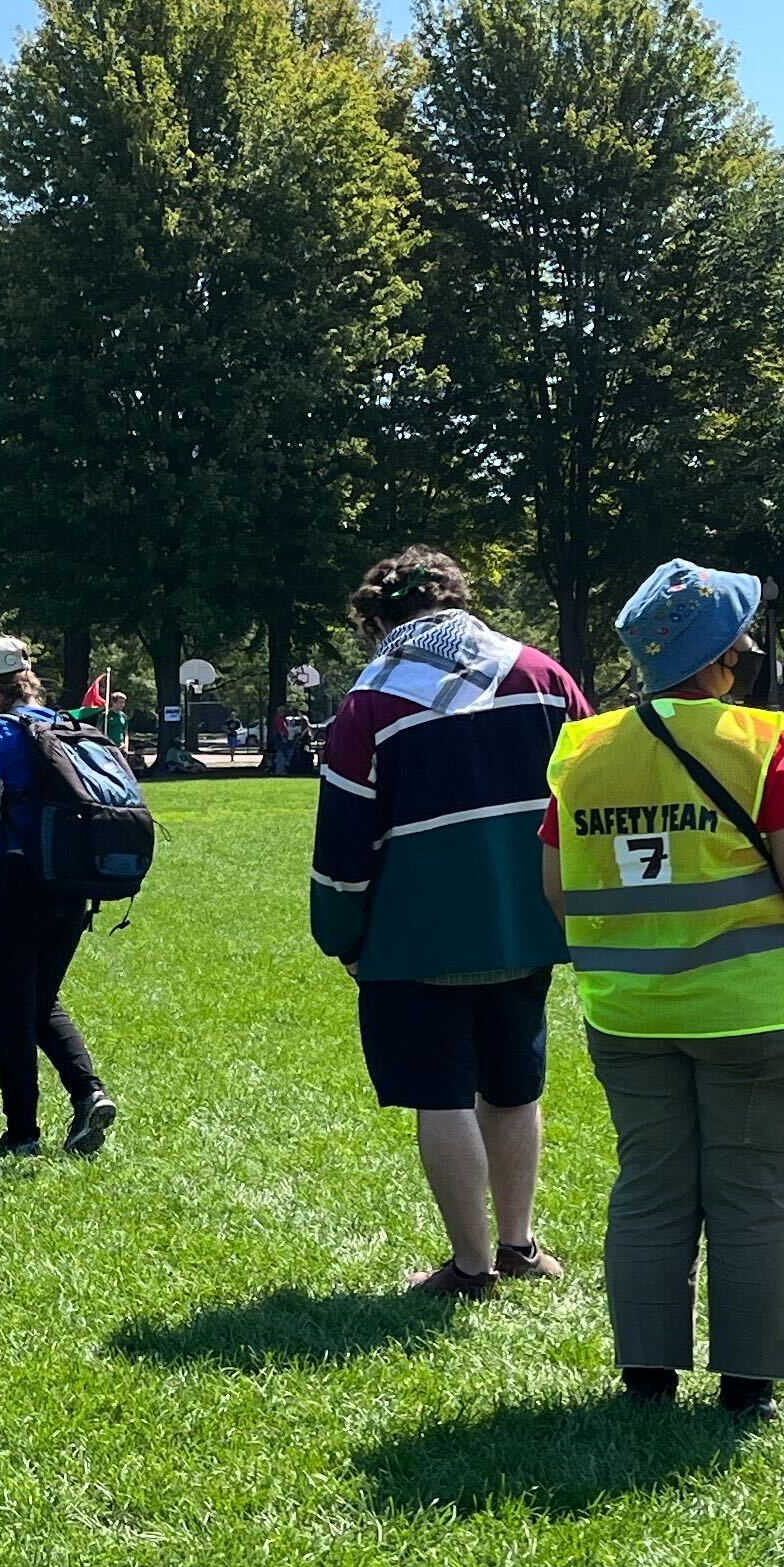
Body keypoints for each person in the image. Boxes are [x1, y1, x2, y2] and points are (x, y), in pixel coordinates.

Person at [544, 560, 784, 1414]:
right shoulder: (763, 741)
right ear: (720, 658)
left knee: (650, 1186)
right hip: (757, 1012)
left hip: (628, 1013)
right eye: (740, 642)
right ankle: (746, 1385)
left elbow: (556, 884)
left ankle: (647, 1375)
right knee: (755, 1194)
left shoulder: (582, 751)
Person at [311, 548, 586, 1293]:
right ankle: (521, 1247)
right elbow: (588, 795)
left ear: (380, 618)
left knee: (442, 1096)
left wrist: (341, 933)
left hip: (415, 938)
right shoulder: (544, 675)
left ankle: (470, 1268)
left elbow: (344, 841)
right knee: (514, 1086)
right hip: (531, 926)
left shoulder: (370, 702)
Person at [0, 637, 116, 1155]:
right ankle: (89, 1093)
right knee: (41, 999)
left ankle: (23, 1131)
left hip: (12, 882)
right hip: (71, 883)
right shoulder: (66, 725)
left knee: (11, 1009)